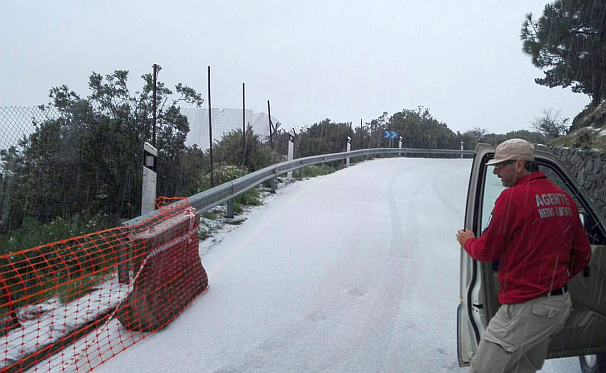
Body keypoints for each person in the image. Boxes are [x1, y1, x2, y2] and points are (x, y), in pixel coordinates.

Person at [456, 138, 592, 373]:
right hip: (557, 305)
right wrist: (556, 278)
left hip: (526, 308)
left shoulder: (512, 199)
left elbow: (487, 251)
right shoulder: (563, 198)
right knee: (522, 368)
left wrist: (468, 242)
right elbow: (583, 253)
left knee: (483, 368)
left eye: (501, 166)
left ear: (519, 164)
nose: (497, 172)